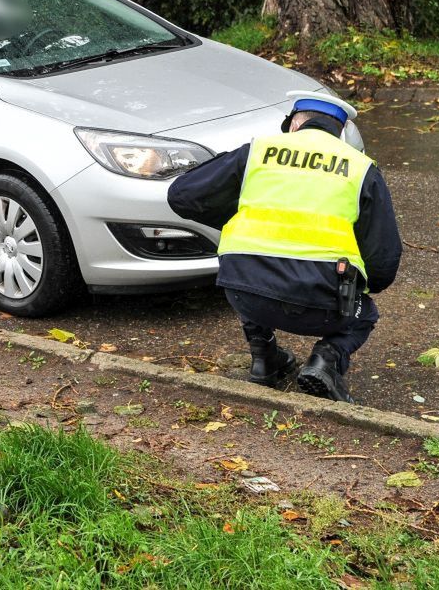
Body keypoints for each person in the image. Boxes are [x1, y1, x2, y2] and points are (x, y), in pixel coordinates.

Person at [167, 91, 402, 403]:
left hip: (245, 294)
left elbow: (181, 195)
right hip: (322, 307)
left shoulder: (258, 151)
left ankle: (264, 359)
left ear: (292, 125)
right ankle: (325, 359)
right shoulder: (360, 169)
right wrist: (358, 286)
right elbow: (384, 263)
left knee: (252, 274)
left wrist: (236, 218)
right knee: (366, 314)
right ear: (342, 132)